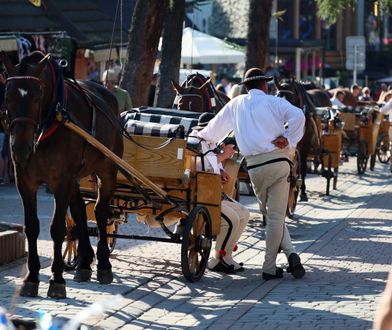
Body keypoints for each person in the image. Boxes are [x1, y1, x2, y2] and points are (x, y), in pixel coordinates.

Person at [197, 68, 306, 281]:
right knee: (276, 218)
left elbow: (210, 132)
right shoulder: (274, 102)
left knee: (271, 216)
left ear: (246, 86)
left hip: (255, 167)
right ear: (265, 85)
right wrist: (289, 139)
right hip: (279, 161)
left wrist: (195, 136)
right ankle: (270, 267)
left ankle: (291, 253)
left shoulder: (236, 104)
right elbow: (299, 115)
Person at [189, 112, 250, 273]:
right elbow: (197, 163)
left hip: (212, 192)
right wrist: (223, 156)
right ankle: (218, 258)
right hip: (201, 194)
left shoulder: (209, 142)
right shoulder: (194, 141)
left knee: (244, 213)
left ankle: (227, 255)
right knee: (232, 220)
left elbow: (212, 161)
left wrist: (221, 169)